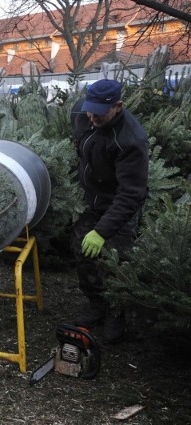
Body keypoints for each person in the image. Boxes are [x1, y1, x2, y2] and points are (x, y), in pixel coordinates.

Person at [70, 79, 149, 343]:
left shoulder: (131, 140)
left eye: (99, 112)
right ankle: (96, 305)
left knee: (116, 263)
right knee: (82, 254)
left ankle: (117, 314)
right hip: (88, 201)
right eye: (90, 110)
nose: (92, 116)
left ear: (118, 106)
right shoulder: (83, 113)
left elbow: (132, 194)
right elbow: (80, 141)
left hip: (117, 205)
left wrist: (102, 231)